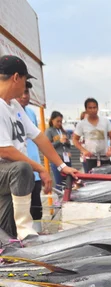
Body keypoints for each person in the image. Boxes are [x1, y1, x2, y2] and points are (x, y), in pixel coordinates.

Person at [0, 55, 77, 239]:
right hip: (9, 170)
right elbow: (4, 150)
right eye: (26, 80)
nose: (26, 87)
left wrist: (62, 166)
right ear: (16, 77)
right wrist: (39, 168)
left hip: (8, 175)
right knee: (23, 168)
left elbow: (39, 137)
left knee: (5, 231)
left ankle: (12, 244)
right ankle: (25, 229)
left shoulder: (15, 106)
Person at [16, 81, 43, 229]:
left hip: (35, 170)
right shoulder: (7, 111)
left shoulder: (31, 113)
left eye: (27, 92)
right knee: (19, 210)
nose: (24, 96)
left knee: (36, 206)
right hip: (18, 171)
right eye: (22, 92)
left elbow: (39, 139)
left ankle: (37, 235)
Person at [72, 98, 111, 172]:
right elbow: (75, 139)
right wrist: (83, 150)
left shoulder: (105, 121)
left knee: (108, 180)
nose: (92, 110)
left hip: (105, 158)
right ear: (86, 109)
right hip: (90, 159)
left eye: (94, 107)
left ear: (97, 108)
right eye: (90, 108)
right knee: (91, 181)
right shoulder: (82, 124)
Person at [45, 111, 72, 192]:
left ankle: (66, 198)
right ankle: (58, 200)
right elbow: (48, 145)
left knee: (68, 181)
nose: (59, 123)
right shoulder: (49, 131)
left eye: (61, 121)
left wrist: (67, 142)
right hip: (57, 160)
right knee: (59, 182)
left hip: (66, 158)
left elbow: (69, 145)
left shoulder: (63, 131)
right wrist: (59, 141)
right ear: (52, 120)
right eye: (57, 121)